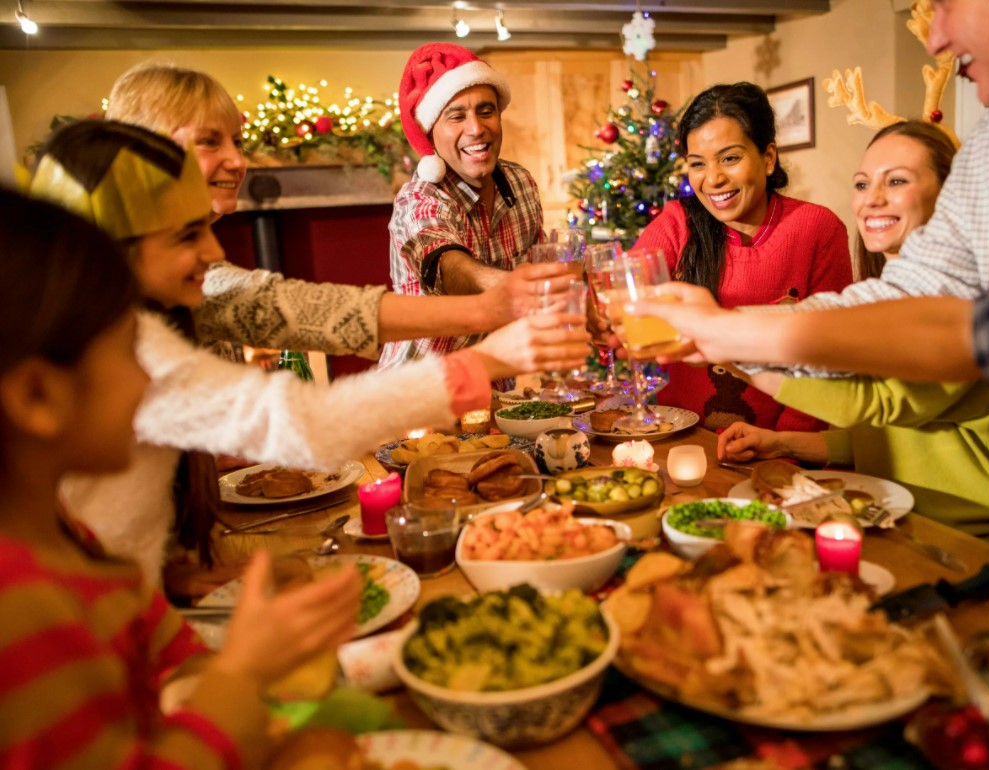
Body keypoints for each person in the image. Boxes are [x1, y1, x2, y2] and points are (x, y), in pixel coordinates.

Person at [629, 0, 989, 597]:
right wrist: (730, 344)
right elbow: (920, 307)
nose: (933, 34)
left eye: (946, 4)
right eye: (862, 183)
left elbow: (914, 373)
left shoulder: (821, 230)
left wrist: (723, 334)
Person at [34, 120, 590, 586]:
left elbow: (110, 534)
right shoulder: (131, 350)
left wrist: (171, 579)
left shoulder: (127, 325)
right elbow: (307, 426)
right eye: (186, 236)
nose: (214, 251)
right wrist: (487, 361)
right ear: (103, 248)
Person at [0, 188, 361, 769]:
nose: (150, 382)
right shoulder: (18, 611)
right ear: (38, 395)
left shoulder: (70, 540)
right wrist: (242, 672)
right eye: (128, 352)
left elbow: (168, 649)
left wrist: (247, 650)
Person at [718, 121, 989, 556]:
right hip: (897, 531)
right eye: (861, 183)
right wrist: (778, 442)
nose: (871, 199)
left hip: (983, 545)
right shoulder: (877, 301)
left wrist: (730, 347)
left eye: (896, 181)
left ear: (950, 197)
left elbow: (877, 401)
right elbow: (883, 436)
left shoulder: (959, 306)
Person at [105, 61, 565, 363]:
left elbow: (292, 311)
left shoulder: (201, 271)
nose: (237, 161)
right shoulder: (106, 282)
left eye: (239, 142)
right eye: (210, 141)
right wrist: (490, 308)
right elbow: (315, 311)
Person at [630, 82, 852, 431]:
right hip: (686, 440)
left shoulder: (817, 228)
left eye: (730, 158)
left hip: (784, 451)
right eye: (697, 164)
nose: (713, 179)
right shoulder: (677, 222)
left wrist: (782, 448)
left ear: (767, 158)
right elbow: (629, 287)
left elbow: (830, 357)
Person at [381, 43, 550, 372]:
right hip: (419, 391)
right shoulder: (418, 198)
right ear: (431, 132)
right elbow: (448, 266)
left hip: (494, 384)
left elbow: (541, 261)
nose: (476, 128)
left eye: (486, 111)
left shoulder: (521, 183)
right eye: (456, 116)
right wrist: (510, 288)